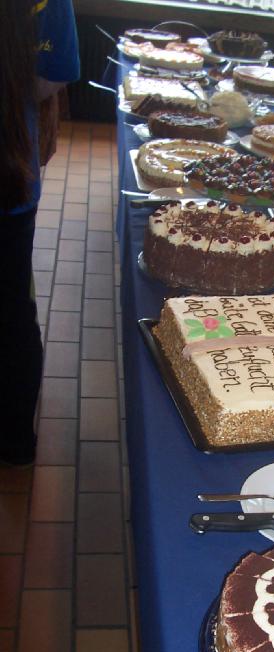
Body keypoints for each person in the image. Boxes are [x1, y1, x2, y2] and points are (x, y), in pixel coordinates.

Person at [0, 0, 80, 465]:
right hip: (9, 173)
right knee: (11, 309)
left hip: (9, 175)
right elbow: (53, 75)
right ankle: (13, 440)